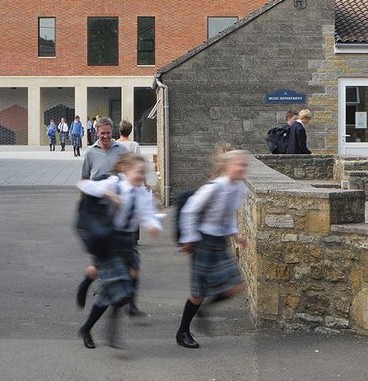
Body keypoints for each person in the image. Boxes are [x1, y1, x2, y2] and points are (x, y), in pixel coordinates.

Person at [76, 153, 162, 349]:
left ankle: (89, 328)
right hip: (110, 240)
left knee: (121, 287)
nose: (142, 176)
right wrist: (106, 193)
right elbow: (83, 185)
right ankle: (107, 332)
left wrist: (152, 225)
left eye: (144, 173)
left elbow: (147, 214)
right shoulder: (115, 183)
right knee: (120, 291)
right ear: (126, 170)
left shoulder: (142, 193)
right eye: (139, 172)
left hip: (127, 242)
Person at [175, 149, 248, 349]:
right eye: (239, 164)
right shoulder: (214, 187)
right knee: (198, 293)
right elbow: (190, 210)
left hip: (219, 242)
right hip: (202, 241)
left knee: (235, 286)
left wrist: (236, 236)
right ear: (227, 167)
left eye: (244, 164)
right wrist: (189, 239)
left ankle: (204, 310)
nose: (242, 168)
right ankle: (183, 332)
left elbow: (229, 215)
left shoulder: (239, 189)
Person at [75, 118, 129, 308]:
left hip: (116, 206)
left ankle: (114, 286)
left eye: (108, 132)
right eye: (102, 133)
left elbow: (129, 174)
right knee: (103, 251)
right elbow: (84, 178)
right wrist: (82, 205)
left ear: (112, 131)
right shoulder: (90, 153)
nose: (105, 136)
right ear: (96, 132)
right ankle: (97, 282)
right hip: (97, 208)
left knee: (119, 248)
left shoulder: (122, 151)